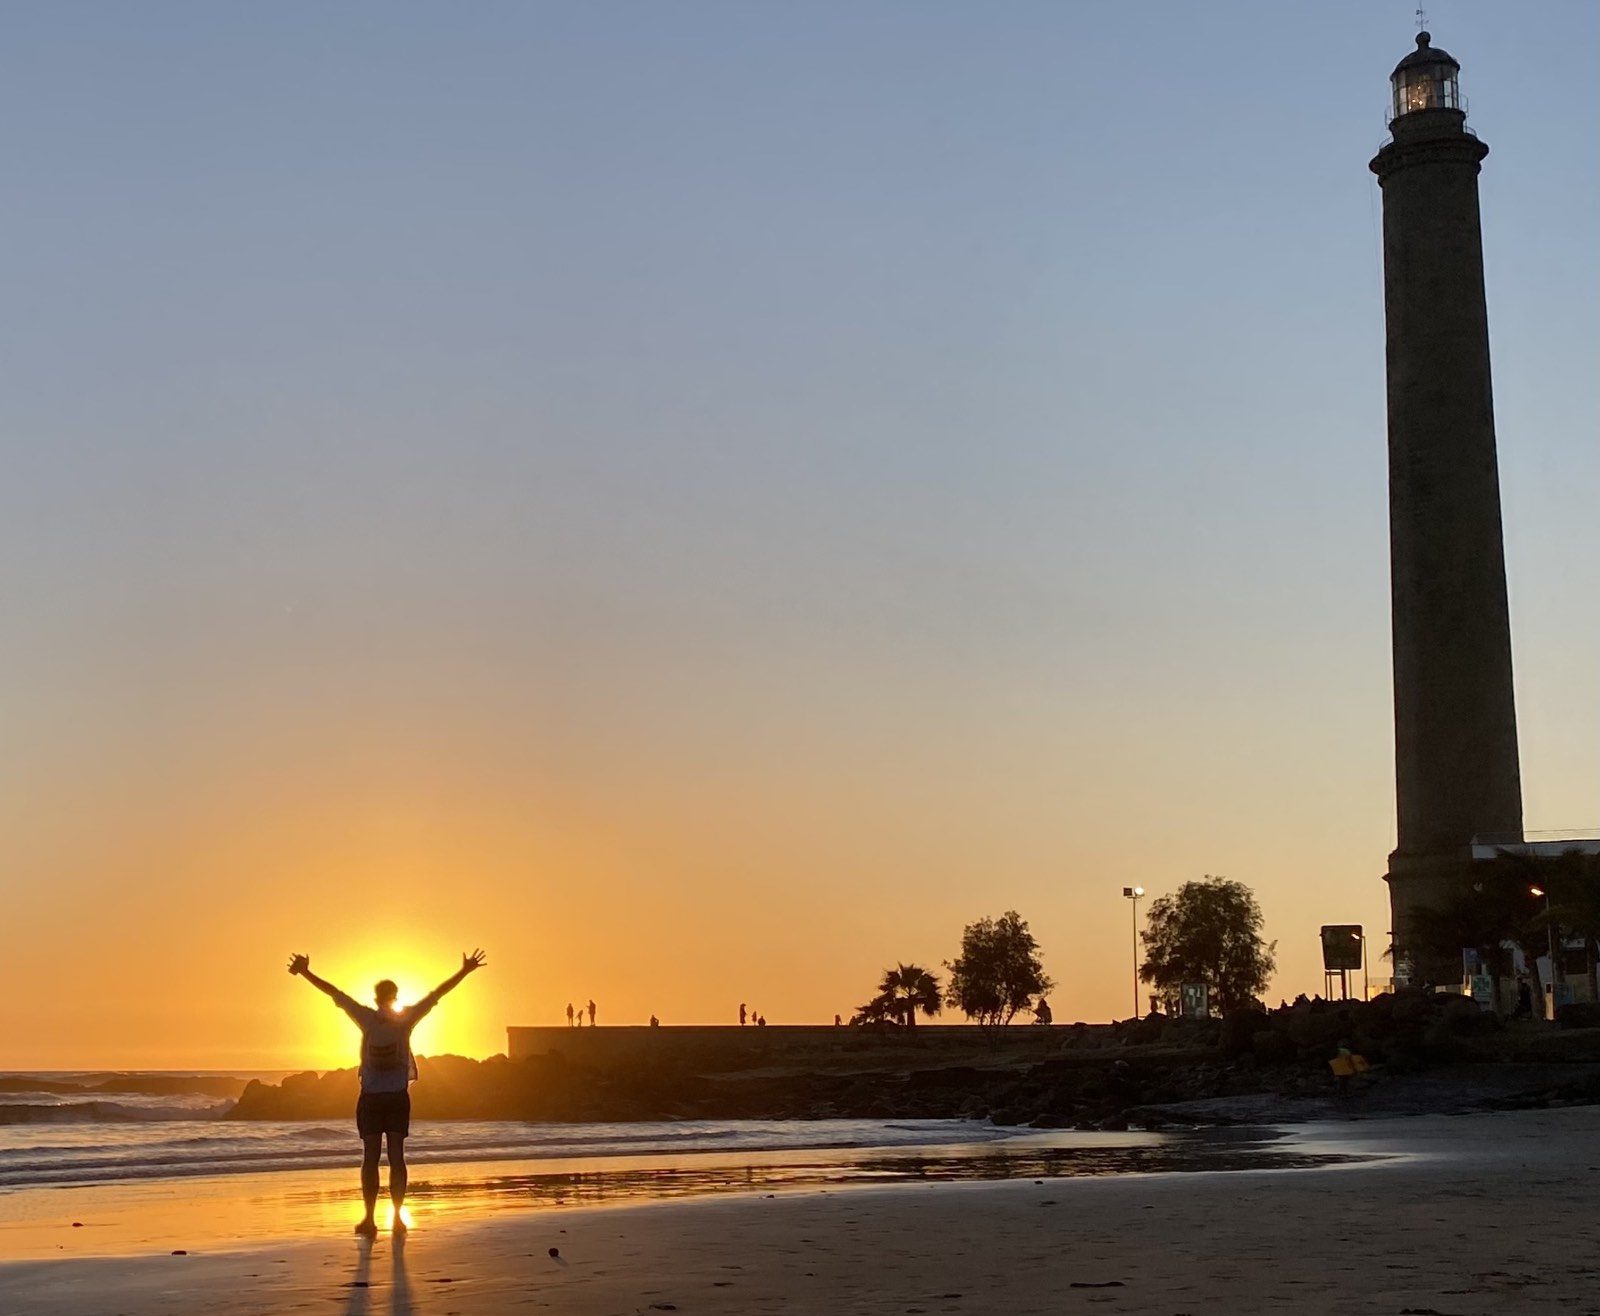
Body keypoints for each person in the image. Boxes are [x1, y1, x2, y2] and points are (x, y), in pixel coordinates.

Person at [288, 949, 486, 1236]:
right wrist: (465, 971)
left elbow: (334, 993)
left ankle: (369, 1219)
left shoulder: (366, 1018)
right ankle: (398, 1219)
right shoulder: (405, 1020)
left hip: (371, 1097)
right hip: (397, 1097)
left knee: (370, 1158)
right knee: (396, 1156)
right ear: (396, 997)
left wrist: (305, 972)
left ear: (375, 998)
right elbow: (436, 994)